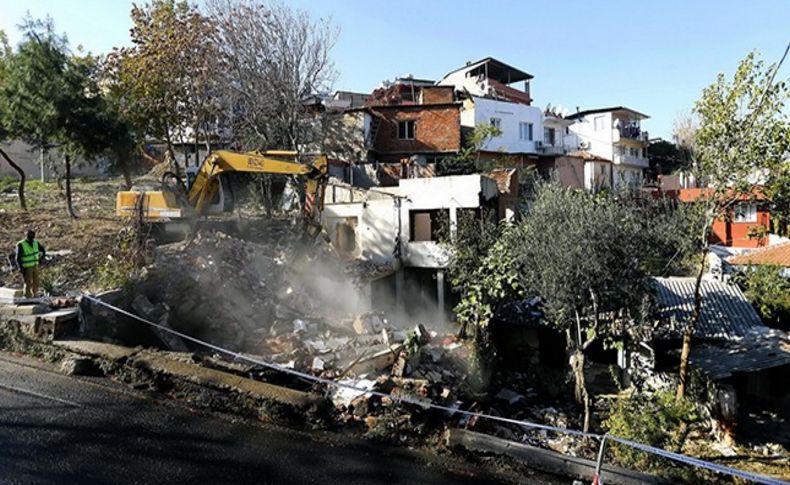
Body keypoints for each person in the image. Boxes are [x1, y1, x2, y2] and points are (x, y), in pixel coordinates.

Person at [16, 230, 46, 298]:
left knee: (36, 281)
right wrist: (20, 267)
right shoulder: (21, 244)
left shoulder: (35, 242)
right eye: (30, 236)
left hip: (35, 265)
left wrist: (42, 258)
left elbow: (43, 250)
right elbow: (18, 257)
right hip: (27, 266)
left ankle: (35, 294)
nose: (31, 238)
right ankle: (27, 295)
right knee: (28, 282)